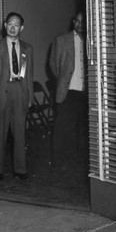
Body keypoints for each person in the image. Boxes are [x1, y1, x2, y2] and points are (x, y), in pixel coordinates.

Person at [0, 12, 34, 181]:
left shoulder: (27, 48)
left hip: (19, 92)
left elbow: (28, 75)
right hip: (1, 94)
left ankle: (20, 170)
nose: (13, 28)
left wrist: (29, 98)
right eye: (10, 24)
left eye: (16, 25)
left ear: (21, 28)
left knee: (20, 133)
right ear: (5, 25)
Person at [49, 12, 88, 168]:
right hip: (67, 91)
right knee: (62, 128)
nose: (79, 24)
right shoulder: (61, 40)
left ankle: (78, 160)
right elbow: (53, 64)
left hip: (85, 93)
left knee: (82, 128)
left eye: (83, 22)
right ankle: (59, 161)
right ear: (73, 22)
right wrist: (63, 81)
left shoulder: (91, 41)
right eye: (77, 21)